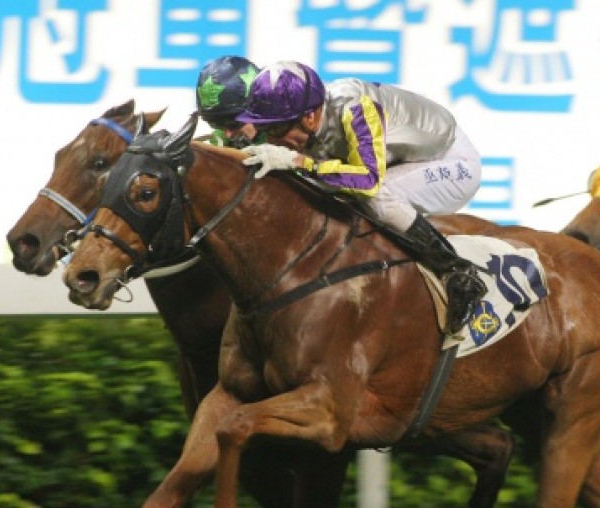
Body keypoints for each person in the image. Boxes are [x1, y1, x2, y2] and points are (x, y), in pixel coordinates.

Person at [234, 60, 487, 334]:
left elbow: (366, 180)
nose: (272, 140)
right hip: (401, 160)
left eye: (276, 131)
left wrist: (300, 162)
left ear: (308, 117)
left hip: (451, 161)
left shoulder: (353, 107)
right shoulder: (309, 118)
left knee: (377, 196)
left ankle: (458, 272)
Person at [195, 55, 261, 148]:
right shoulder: (219, 140)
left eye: (233, 125)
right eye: (217, 124)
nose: (228, 135)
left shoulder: (284, 135)